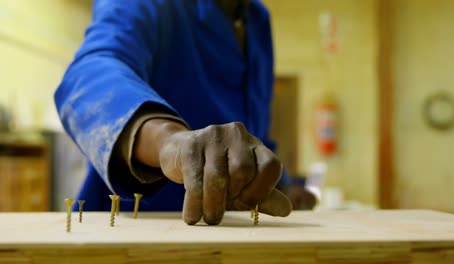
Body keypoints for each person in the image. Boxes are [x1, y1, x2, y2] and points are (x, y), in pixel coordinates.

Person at [55, 0, 292, 225]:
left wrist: (279, 184)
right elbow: (91, 72)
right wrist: (170, 139)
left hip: (225, 236)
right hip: (132, 237)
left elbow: (256, 129)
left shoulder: (258, 20)